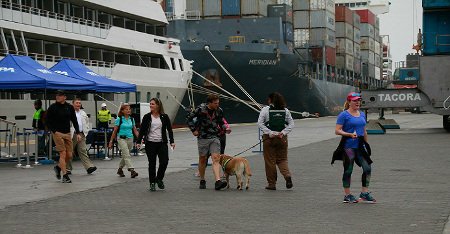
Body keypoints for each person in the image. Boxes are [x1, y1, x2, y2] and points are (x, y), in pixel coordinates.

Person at [335, 92, 375, 203]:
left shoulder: (362, 114)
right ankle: (347, 195)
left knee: (367, 168)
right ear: (349, 102)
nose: (357, 102)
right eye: (355, 100)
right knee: (348, 170)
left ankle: (364, 193)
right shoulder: (344, 115)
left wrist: (366, 144)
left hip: (361, 146)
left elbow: (364, 130)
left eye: (359, 100)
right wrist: (348, 134)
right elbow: (337, 130)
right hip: (348, 147)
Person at [187, 94, 229, 190]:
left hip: (215, 137)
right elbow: (189, 118)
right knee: (203, 159)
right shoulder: (200, 109)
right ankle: (202, 179)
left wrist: (225, 128)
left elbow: (221, 122)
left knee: (216, 158)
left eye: (218, 103)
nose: (217, 105)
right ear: (209, 103)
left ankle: (217, 181)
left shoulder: (219, 110)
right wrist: (193, 130)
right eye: (215, 103)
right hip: (203, 137)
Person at [257, 92, 294, 190]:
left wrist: (269, 132)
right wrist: (283, 132)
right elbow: (291, 124)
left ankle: (272, 184)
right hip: (282, 139)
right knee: (282, 159)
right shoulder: (286, 111)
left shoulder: (265, 110)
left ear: (270, 100)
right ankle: (287, 176)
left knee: (270, 161)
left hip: (269, 138)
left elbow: (260, 123)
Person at [137, 98, 175, 191]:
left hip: (162, 143)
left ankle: (159, 178)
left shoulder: (164, 116)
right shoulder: (147, 117)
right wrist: (138, 142)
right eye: (150, 104)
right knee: (152, 163)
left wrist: (172, 141)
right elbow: (142, 130)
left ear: (158, 105)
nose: (151, 105)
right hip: (150, 143)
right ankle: (152, 183)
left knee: (164, 161)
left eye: (153, 104)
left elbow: (169, 130)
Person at [46, 90, 81, 183]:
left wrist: (78, 133)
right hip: (57, 133)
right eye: (57, 95)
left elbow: (74, 120)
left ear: (65, 97)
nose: (57, 97)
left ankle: (58, 167)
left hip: (67, 133)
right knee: (63, 153)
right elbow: (47, 121)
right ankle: (65, 176)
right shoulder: (52, 107)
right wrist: (54, 131)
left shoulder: (69, 107)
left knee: (69, 155)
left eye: (60, 95)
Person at [67, 98, 97, 175]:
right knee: (70, 151)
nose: (78, 104)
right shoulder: (69, 112)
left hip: (81, 134)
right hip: (72, 134)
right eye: (77, 103)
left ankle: (89, 167)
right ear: (73, 104)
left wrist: (85, 132)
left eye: (79, 103)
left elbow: (86, 123)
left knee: (83, 151)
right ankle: (68, 168)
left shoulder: (83, 113)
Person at [108, 103, 139, 178]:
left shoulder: (132, 119)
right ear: (122, 111)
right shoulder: (119, 119)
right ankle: (132, 170)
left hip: (130, 138)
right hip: (121, 139)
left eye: (129, 109)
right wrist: (111, 141)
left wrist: (140, 139)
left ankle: (120, 169)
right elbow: (114, 131)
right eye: (126, 109)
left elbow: (135, 130)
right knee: (127, 154)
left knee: (125, 155)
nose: (128, 110)